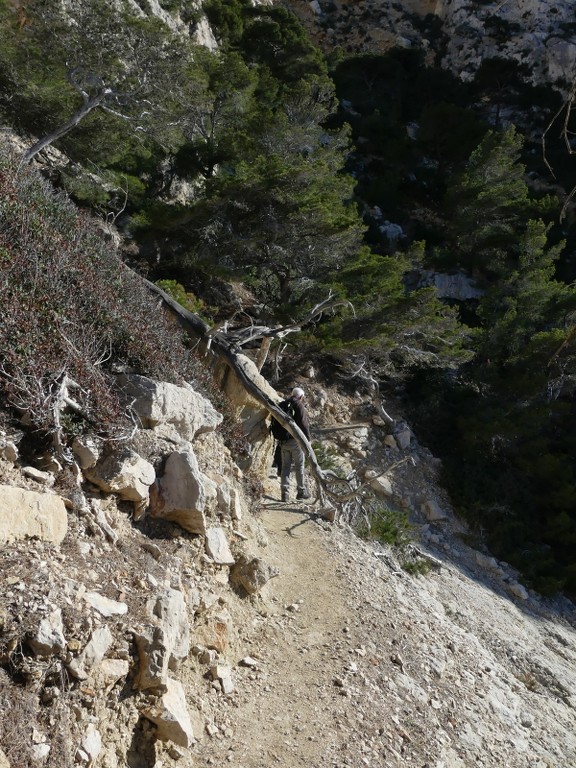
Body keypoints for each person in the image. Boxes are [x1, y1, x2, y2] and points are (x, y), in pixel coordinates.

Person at [280, 386, 311, 502]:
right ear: (301, 397)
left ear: (291, 394)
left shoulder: (283, 404)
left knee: (285, 467)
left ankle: (285, 493)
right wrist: (308, 440)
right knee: (299, 466)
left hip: (283, 441)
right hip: (295, 442)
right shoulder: (299, 405)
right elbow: (304, 424)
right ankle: (301, 491)